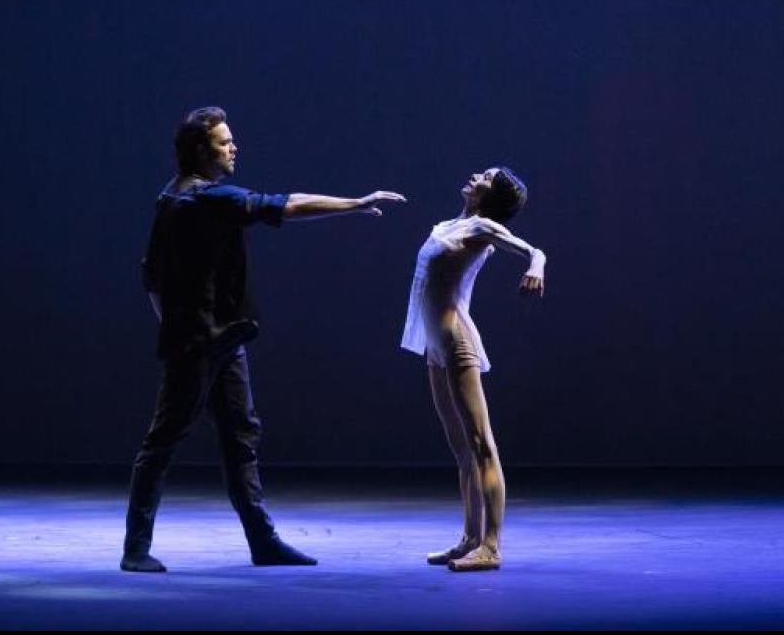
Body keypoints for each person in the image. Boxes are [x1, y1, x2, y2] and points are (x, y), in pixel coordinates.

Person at [122, 106, 405, 572]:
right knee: (165, 438)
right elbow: (287, 204)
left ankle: (262, 541)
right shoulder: (206, 199)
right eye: (223, 141)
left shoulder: (170, 197)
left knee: (240, 435)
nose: (234, 147)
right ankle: (135, 549)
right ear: (200, 150)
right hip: (199, 344)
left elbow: (151, 277)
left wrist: (174, 323)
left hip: (224, 339)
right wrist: (354, 203)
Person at [401, 167, 545, 571]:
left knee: (481, 443)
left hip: (456, 340)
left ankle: (492, 546)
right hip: (435, 344)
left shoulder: (483, 227)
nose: (475, 175)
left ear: (490, 196)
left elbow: (532, 250)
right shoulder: (454, 224)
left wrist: (536, 266)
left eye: (485, 176)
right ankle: (470, 537)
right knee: (461, 450)